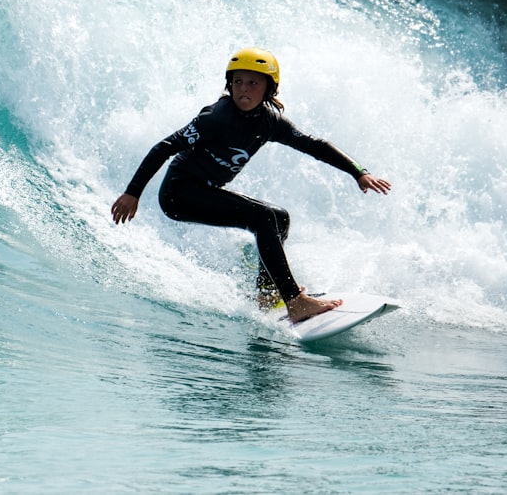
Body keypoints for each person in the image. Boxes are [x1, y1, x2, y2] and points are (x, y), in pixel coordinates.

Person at [110, 47, 392, 324]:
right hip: (180, 193)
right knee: (262, 217)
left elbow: (313, 145)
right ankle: (295, 301)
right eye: (238, 82)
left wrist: (358, 172)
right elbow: (165, 146)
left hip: (205, 189)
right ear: (229, 85)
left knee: (279, 218)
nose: (244, 89)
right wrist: (133, 192)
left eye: (253, 83)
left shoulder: (269, 122)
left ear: (269, 88)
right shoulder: (216, 118)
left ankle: (268, 295)